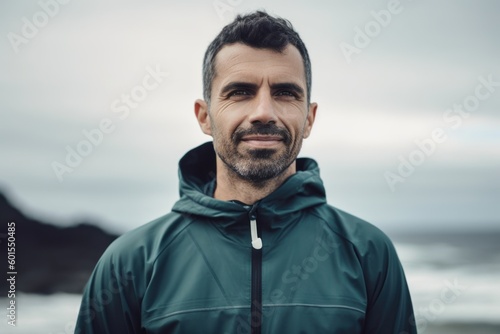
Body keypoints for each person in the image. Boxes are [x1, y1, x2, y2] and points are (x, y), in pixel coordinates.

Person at [75, 11, 416, 334]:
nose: (264, 112)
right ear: (204, 116)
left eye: (285, 93)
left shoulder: (369, 254)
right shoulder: (130, 263)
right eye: (240, 92)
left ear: (309, 118)